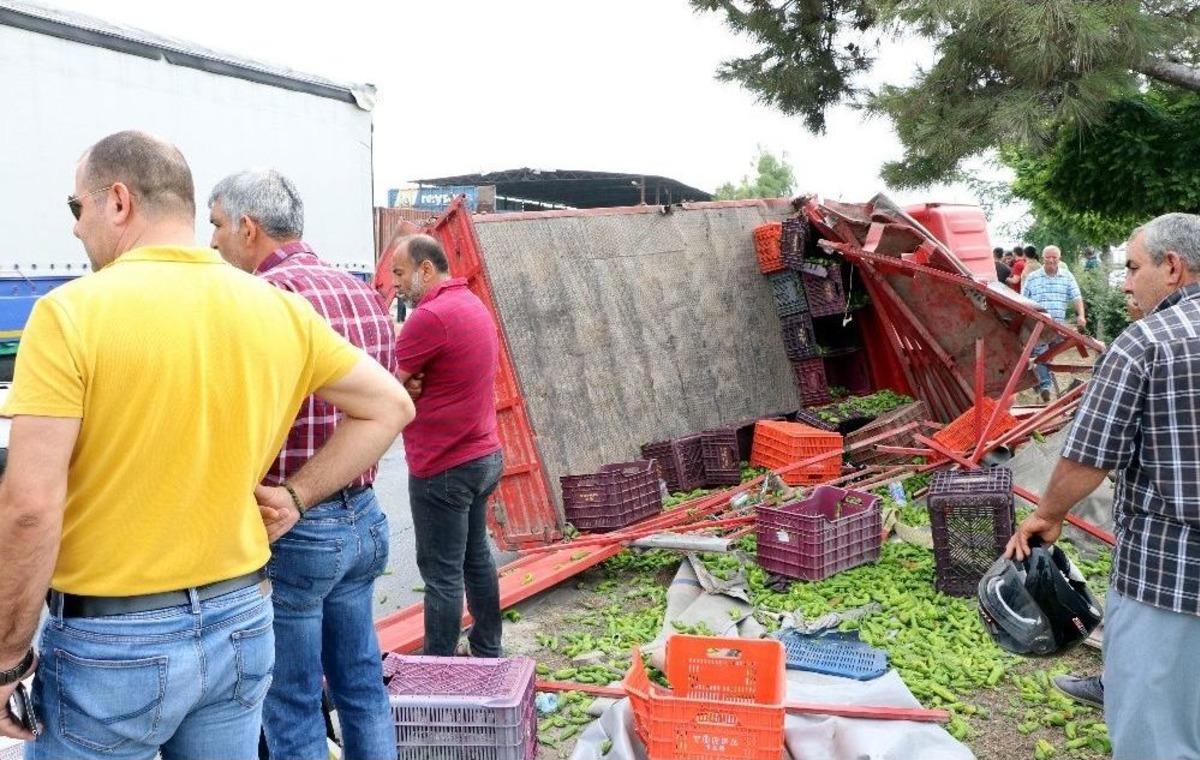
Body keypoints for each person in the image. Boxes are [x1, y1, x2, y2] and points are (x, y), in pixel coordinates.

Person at [0, 131, 413, 757]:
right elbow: (390, 405)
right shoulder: (277, 310)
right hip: (242, 623)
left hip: (115, 645)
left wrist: (7, 656)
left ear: (118, 201)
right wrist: (297, 497)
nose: (76, 230)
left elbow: (30, 509)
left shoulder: (69, 316)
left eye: (75, 209)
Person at [209, 169, 401, 759]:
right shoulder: (360, 292)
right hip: (363, 517)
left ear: (248, 228)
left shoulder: (264, 302)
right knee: (361, 685)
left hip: (295, 523)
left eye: (216, 226)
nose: (212, 242)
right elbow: (384, 407)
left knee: (291, 700)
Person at [1005, 212, 1200, 760]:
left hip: (1170, 574)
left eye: (1134, 267)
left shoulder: (1146, 342)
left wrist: (1048, 513)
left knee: (1156, 733)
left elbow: (1089, 457)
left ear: (1173, 267)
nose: (1126, 280)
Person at [391, 234, 504, 658]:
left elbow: (385, 384)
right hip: (483, 457)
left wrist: (407, 388)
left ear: (425, 269)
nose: (396, 285)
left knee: (441, 575)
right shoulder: (471, 304)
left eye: (400, 273)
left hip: (444, 467)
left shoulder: (430, 317)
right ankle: (488, 651)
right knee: (476, 559)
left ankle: (439, 670)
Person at [1022, 246, 1085, 402]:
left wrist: (1081, 316)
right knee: (1041, 354)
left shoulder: (1067, 277)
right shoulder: (1033, 277)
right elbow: (1023, 301)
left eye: (1054, 257)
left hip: (1058, 326)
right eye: (1048, 257)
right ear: (1043, 258)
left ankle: (1040, 382)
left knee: (1048, 356)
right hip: (1038, 326)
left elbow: (1076, 296)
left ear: (1059, 258)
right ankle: (1045, 386)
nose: (1051, 260)